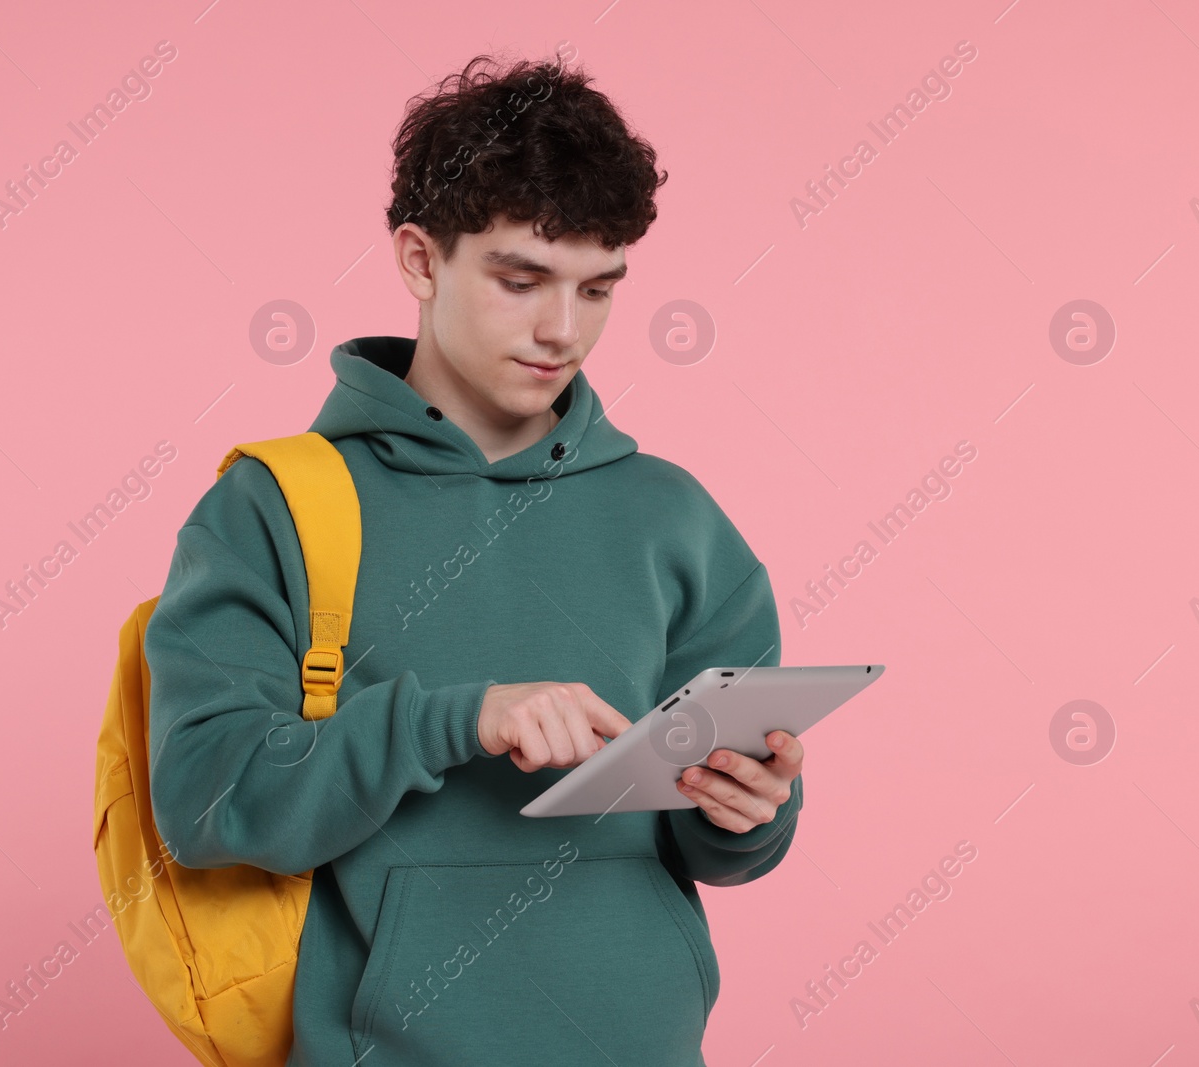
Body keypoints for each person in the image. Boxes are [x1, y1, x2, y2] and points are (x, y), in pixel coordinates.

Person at [145, 50, 805, 1067]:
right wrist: (457, 716)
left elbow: (721, 844)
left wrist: (746, 811)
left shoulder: (671, 516)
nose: (561, 330)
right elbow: (206, 799)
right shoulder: (275, 506)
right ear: (419, 259)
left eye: (597, 289)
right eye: (521, 279)